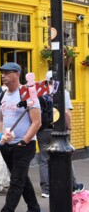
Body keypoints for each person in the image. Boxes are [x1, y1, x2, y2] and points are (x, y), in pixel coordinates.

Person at [0, 62, 41, 212]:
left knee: (16, 181)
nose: (3, 76)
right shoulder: (2, 94)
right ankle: (34, 208)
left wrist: (24, 142)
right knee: (22, 179)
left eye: (7, 73)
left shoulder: (28, 94)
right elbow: (2, 119)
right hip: (6, 146)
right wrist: (0, 139)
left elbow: (37, 122)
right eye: (2, 73)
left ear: (17, 74)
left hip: (23, 145)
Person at [37, 70, 85, 198]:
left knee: (43, 159)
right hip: (58, 129)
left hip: (42, 130)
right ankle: (73, 186)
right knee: (65, 156)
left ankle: (45, 190)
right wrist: (69, 128)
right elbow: (67, 113)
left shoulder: (40, 93)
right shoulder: (62, 92)